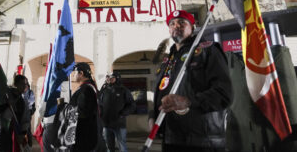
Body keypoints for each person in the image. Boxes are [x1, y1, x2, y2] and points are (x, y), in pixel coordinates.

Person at [149, 10, 233, 152]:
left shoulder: (208, 50)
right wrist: (153, 116)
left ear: (193, 27)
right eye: (172, 23)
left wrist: (188, 101)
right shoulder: (168, 60)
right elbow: (160, 92)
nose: (176, 26)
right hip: (171, 138)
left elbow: (224, 94)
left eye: (182, 22)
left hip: (202, 141)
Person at [0, 74, 31, 151]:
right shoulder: (5, 95)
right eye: (22, 84)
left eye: (25, 84)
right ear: (16, 84)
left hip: (15, 133)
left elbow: (25, 119)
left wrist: (23, 133)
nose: (24, 86)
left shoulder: (24, 101)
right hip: (1, 131)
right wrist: (7, 104)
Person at [99, 71, 136, 152]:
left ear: (117, 78)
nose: (109, 79)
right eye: (108, 77)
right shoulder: (104, 90)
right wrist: (100, 115)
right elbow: (99, 103)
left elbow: (132, 105)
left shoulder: (123, 90)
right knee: (108, 147)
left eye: (112, 77)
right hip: (106, 123)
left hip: (119, 123)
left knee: (122, 146)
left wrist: (123, 113)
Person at [70, 62, 98, 152]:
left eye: (75, 73)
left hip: (83, 134)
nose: (73, 75)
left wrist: (65, 108)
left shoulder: (86, 89)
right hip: (86, 133)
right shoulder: (88, 87)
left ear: (81, 73)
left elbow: (83, 112)